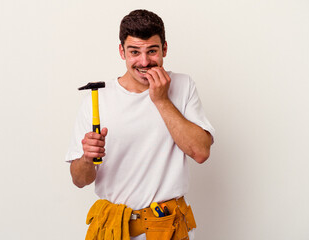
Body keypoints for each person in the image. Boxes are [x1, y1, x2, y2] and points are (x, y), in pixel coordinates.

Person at [66, 9, 215, 240]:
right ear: (121, 52)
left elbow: (201, 152)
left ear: (164, 49)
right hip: (114, 229)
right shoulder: (97, 100)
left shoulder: (183, 86)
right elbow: (79, 180)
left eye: (152, 51)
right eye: (134, 52)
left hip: (169, 228)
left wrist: (162, 100)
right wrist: (86, 158)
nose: (144, 61)